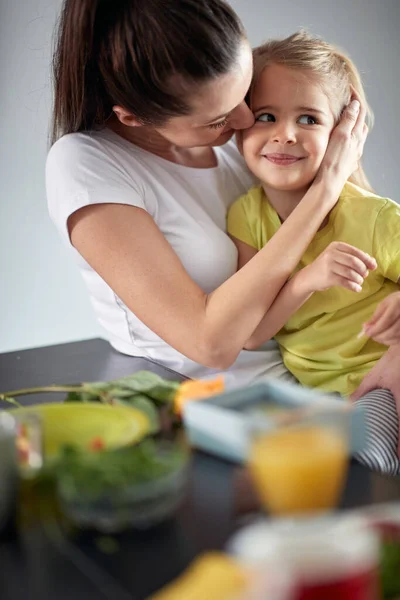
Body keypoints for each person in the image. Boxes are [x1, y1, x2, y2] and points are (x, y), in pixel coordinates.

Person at [45, 1, 398, 444]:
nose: (246, 120)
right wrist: (327, 185)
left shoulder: (242, 140)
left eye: (244, 95)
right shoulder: (88, 165)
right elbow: (213, 345)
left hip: (322, 383)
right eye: (218, 118)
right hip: (231, 411)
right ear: (133, 116)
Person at [227, 31, 400, 474]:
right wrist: (306, 280)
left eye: (308, 119)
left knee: (367, 463)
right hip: (320, 399)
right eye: (266, 115)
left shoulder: (374, 217)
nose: (285, 135)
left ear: (342, 132)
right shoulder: (246, 217)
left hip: (384, 380)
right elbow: (250, 332)